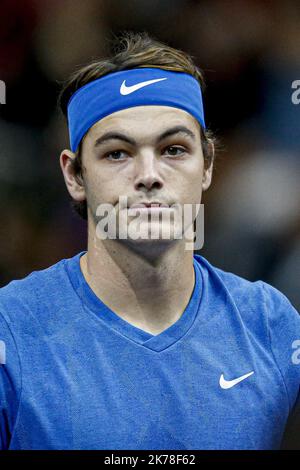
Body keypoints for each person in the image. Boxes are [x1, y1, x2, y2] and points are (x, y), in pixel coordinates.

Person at [0, 31, 299, 450]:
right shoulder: (11, 330)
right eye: (117, 153)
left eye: (174, 149)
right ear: (74, 175)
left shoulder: (271, 325)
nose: (149, 174)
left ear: (208, 164)